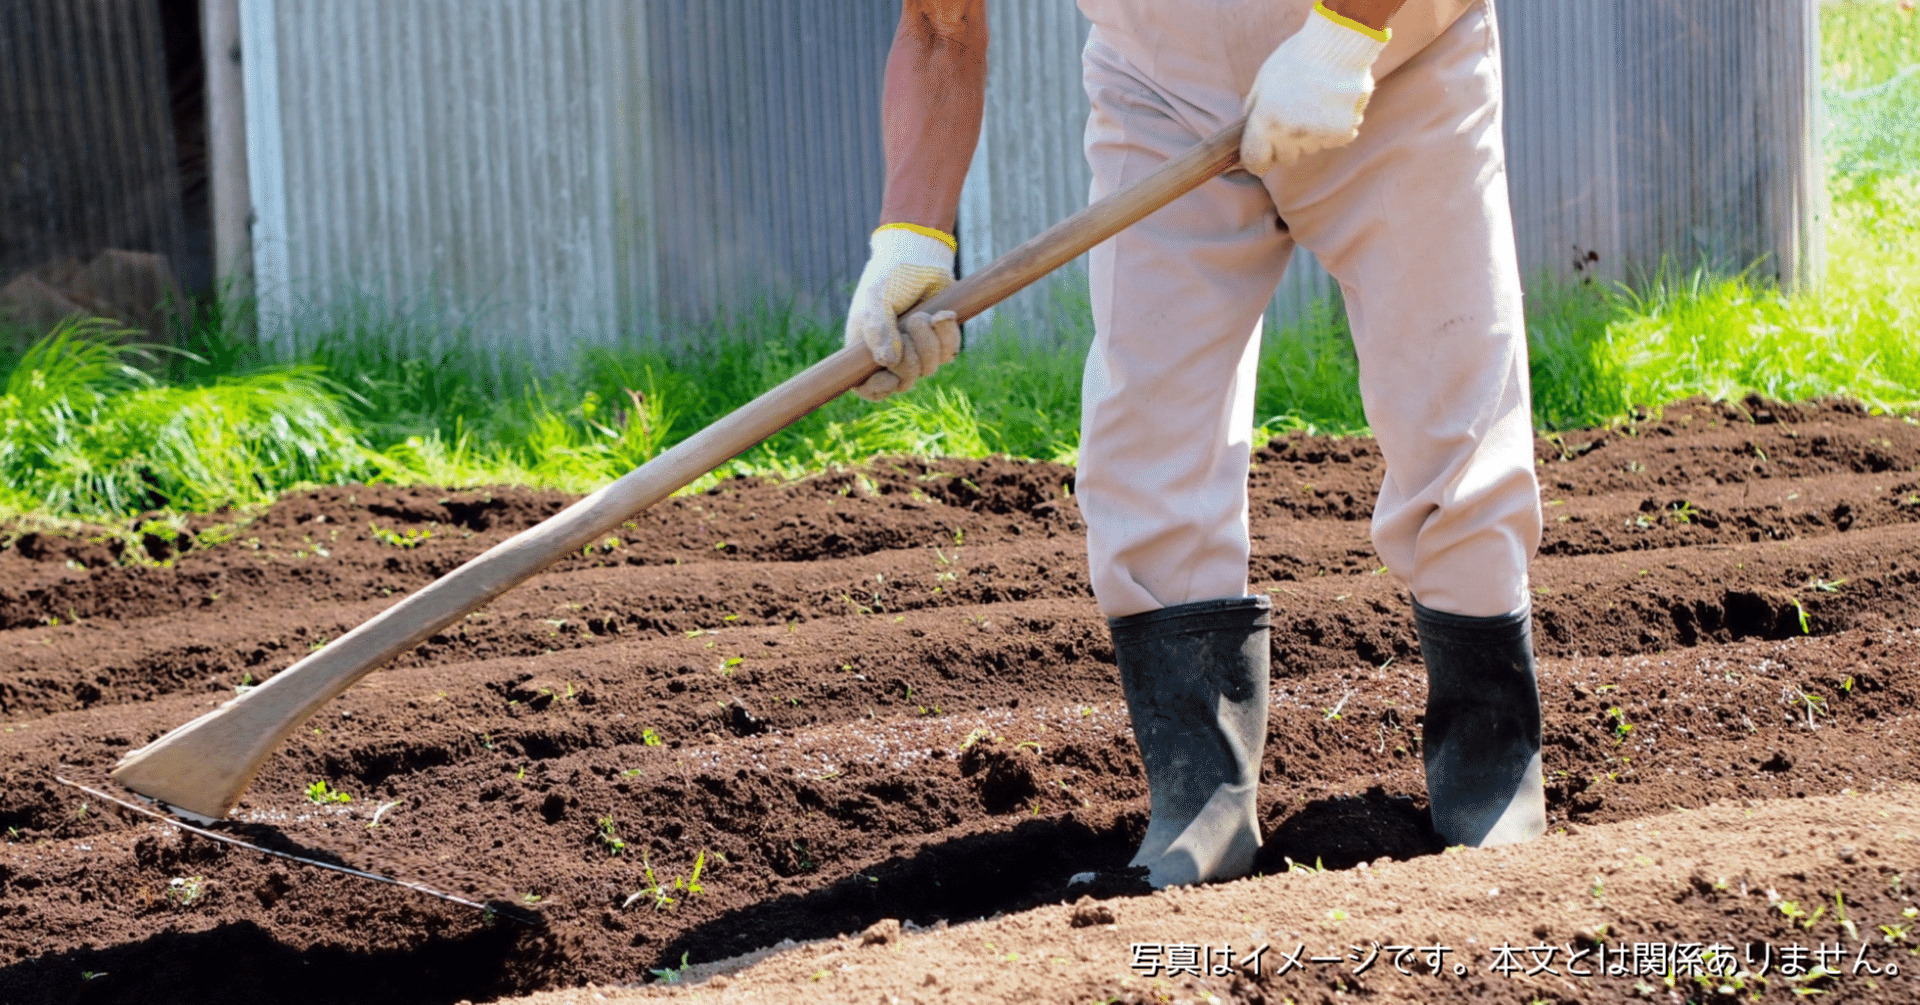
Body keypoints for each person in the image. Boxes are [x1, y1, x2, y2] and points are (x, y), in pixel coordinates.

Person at [843, 0, 1545, 889]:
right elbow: (942, 23)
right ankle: (1202, 802)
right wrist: (911, 234)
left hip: (1397, 60)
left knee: (1452, 402)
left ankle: (1489, 774)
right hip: (1162, 89)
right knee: (1146, 439)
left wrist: (1343, 35)